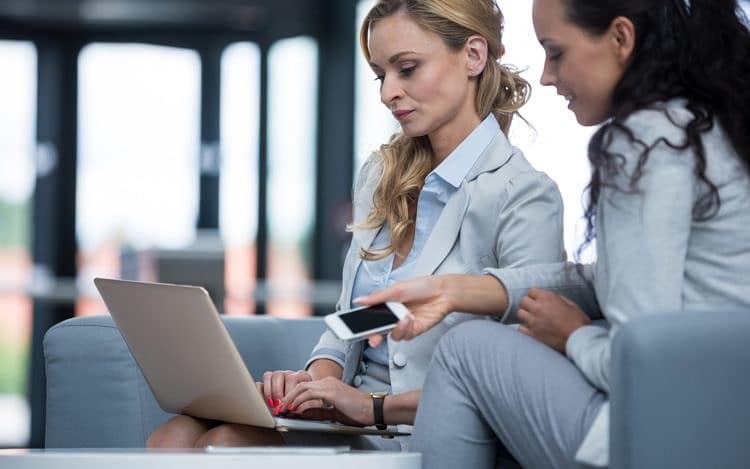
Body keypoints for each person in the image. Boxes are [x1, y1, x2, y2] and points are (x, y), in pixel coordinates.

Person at [147, 0, 566, 450]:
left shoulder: (523, 195)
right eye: (381, 75)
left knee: (227, 443)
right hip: (352, 418)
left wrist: (368, 404)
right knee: (175, 434)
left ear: (473, 56)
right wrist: (314, 383)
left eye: (406, 68)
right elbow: (358, 322)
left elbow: (524, 380)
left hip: (422, 427)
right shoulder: (382, 176)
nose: (388, 93)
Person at [358, 0, 750, 467]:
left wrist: (575, 336)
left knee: (467, 350)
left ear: (621, 38)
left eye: (556, 52)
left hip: (671, 431)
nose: (545, 76)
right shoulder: (706, 129)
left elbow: (643, 364)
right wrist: (456, 290)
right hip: (722, 417)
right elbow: (609, 277)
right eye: (382, 76)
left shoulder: (646, 142)